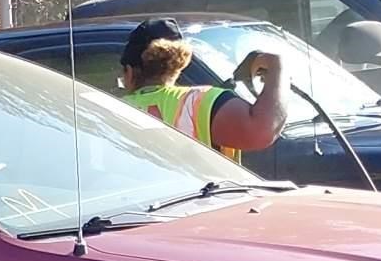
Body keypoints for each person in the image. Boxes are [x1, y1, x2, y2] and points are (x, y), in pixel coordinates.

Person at [117, 16, 286, 158]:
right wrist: (277, 66)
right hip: (205, 198)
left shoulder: (108, 111)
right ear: (178, 66)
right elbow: (263, 130)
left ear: (129, 72)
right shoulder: (198, 102)